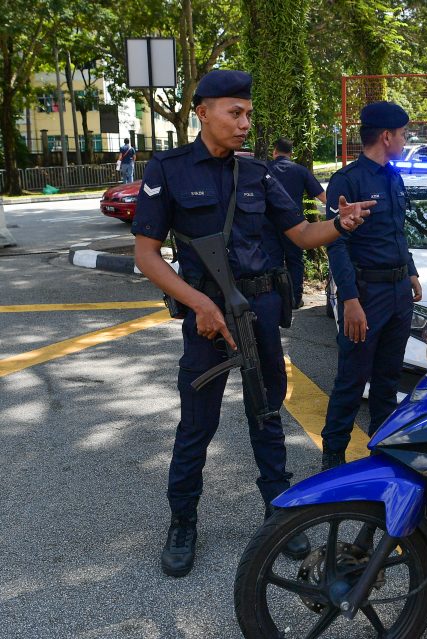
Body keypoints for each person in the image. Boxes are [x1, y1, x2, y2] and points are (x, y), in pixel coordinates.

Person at [131, 69, 374, 578]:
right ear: (203, 112)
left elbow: (303, 234)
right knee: (197, 422)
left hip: (259, 309)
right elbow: (148, 256)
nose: (244, 123)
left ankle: (278, 513)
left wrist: (340, 224)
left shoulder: (258, 173)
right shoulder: (169, 169)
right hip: (207, 316)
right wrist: (198, 304)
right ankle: (182, 522)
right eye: (233, 113)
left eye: (248, 114)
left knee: (267, 414)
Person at [320, 101, 423, 470]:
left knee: (388, 379)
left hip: (397, 294)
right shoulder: (347, 181)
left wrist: (410, 270)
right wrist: (349, 299)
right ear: (386, 136)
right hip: (366, 295)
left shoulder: (394, 177)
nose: (405, 139)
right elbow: (337, 243)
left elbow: (397, 232)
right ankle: (332, 458)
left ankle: (382, 455)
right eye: (403, 134)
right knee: (352, 379)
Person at [262, 138, 327, 308]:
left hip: (268, 223)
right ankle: (295, 298)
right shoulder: (300, 171)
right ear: (291, 154)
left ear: (274, 151)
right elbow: (322, 196)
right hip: (294, 224)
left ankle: (275, 298)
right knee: (295, 261)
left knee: (272, 261)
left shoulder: (264, 169)